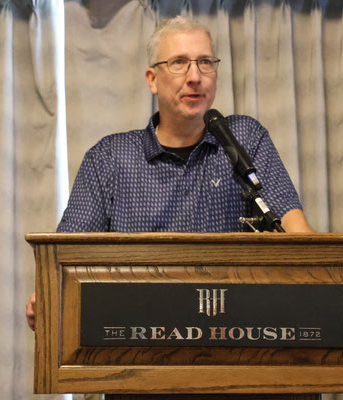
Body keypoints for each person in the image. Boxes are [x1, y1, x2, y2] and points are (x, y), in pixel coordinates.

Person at [26, 16, 313, 330]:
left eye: (205, 62)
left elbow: (296, 230)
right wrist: (49, 296)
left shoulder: (244, 139)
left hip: (234, 330)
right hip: (138, 333)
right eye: (179, 63)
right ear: (152, 79)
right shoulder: (109, 158)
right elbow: (66, 257)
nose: (195, 77)